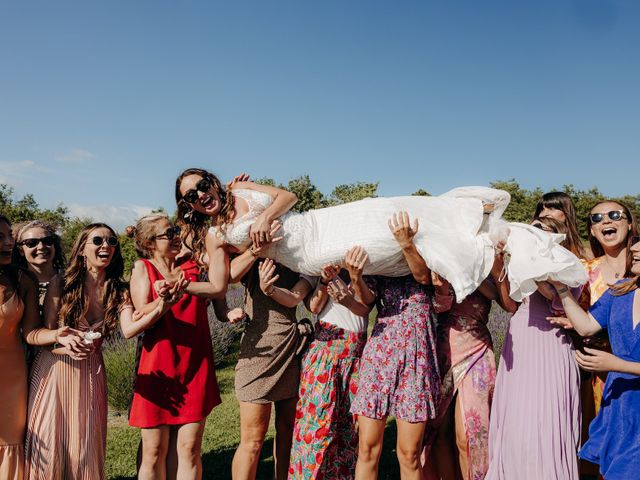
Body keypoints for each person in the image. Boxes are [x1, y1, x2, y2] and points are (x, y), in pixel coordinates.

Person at [175, 169, 546, 303]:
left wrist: (266, 215)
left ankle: (479, 228)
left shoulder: (240, 189)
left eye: (202, 185)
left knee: (383, 209)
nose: (201, 195)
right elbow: (225, 283)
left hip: (317, 220)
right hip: (312, 250)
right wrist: (256, 250)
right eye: (191, 196)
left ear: (212, 180)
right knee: (376, 243)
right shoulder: (216, 235)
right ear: (189, 206)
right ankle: (470, 252)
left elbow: (289, 198)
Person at [125, 214, 239, 480]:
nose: (177, 236)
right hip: (158, 368)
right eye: (169, 233)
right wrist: (163, 301)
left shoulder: (194, 265)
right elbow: (139, 315)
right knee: (154, 450)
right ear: (148, 242)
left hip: (195, 364)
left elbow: (222, 279)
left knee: (189, 449)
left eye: (176, 230)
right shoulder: (143, 268)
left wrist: (228, 313)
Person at [24, 223, 134, 479]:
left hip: (91, 373)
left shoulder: (119, 290)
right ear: (83, 248)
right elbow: (46, 336)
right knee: (50, 448)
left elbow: (131, 327)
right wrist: (67, 346)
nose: (105, 245)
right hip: (54, 372)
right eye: (97, 240)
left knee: (85, 449)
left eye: (111, 241)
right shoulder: (61, 282)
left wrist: (161, 304)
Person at [486, 216, 583, 480]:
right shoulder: (515, 262)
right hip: (520, 340)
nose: (533, 231)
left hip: (550, 343)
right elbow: (509, 305)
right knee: (517, 421)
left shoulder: (568, 264)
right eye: (531, 227)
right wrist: (500, 270)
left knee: (547, 421)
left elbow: (558, 301)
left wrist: (534, 267)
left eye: (540, 228)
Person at [351, 212, 441, 480]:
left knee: (409, 453)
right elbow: (366, 301)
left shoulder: (425, 252)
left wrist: (406, 244)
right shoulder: (379, 260)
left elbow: (424, 277)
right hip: (381, 350)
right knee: (367, 448)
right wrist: (355, 277)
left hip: (417, 355)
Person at [548, 234, 640, 480]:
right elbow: (586, 326)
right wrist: (561, 289)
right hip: (620, 404)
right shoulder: (621, 292)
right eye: (637, 243)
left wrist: (618, 364)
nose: (637, 248)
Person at [423, 243, 517, 480]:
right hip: (441, 349)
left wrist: (479, 272)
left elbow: (506, 303)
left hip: (477, 349)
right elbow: (437, 305)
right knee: (438, 433)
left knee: (470, 435)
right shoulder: (439, 254)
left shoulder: (484, 258)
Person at [0, 215, 84, 480]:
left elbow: (32, 332)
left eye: (8, 237)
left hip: (15, 375)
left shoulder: (22, 280)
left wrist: (61, 334)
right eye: (0, 237)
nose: (7, 243)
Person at [286, 246, 374, 479]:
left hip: (355, 357)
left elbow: (367, 307)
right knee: (316, 428)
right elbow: (313, 306)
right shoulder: (323, 259)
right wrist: (324, 280)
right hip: (326, 354)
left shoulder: (369, 265)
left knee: (348, 432)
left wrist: (354, 280)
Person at [13, 220, 67, 367]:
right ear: (20, 250)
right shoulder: (13, 284)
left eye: (47, 241)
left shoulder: (69, 281)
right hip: (21, 362)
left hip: (64, 360)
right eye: (31, 243)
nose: (41, 247)